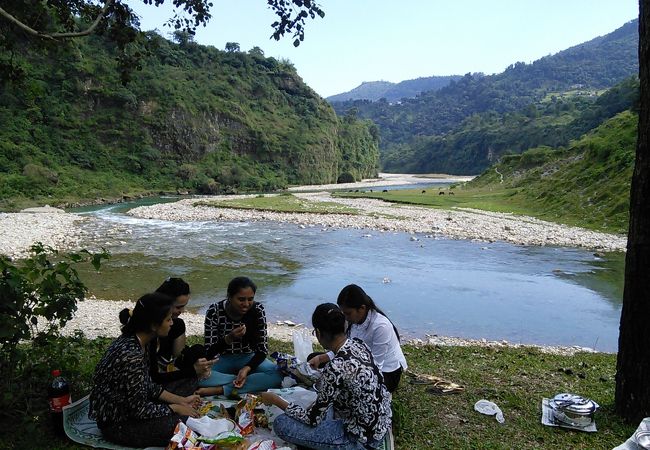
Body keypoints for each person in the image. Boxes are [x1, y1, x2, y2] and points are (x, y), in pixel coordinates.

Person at [260, 303, 391, 450]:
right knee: (318, 400)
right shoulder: (359, 345)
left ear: (318, 332)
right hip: (379, 425)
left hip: (360, 440)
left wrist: (276, 400)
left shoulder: (335, 368)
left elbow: (312, 419)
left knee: (281, 424)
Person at [89, 293, 201, 448]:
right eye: (168, 319)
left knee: (190, 378)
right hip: (119, 423)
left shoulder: (144, 342)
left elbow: (147, 383)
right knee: (182, 425)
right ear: (154, 325)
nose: (172, 324)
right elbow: (139, 410)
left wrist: (180, 400)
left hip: (137, 405)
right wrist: (175, 408)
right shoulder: (131, 354)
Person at [308, 284, 407, 392]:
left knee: (346, 384)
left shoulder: (381, 327)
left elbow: (375, 367)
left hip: (385, 372)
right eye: (343, 313)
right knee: (313, 358)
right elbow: (343, 348)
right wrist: (321, 358)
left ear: (362, 308)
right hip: (358, 362)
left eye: (348, 313)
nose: (345, 317)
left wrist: (345, 372)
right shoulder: (353, 320)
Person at [196, 276, 282, 397]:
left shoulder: (257, 309)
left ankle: (220, 389)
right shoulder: (214, 311)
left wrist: (247, 368)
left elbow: (262, 350)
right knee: (198, 375)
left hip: (248, 357)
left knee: (278, 374)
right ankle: (245, 381)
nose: (246, 304)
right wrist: (229, 338)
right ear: (230, 297)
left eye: (250, 299)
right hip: (222, 359)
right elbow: (209, 351)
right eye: (241, 299)